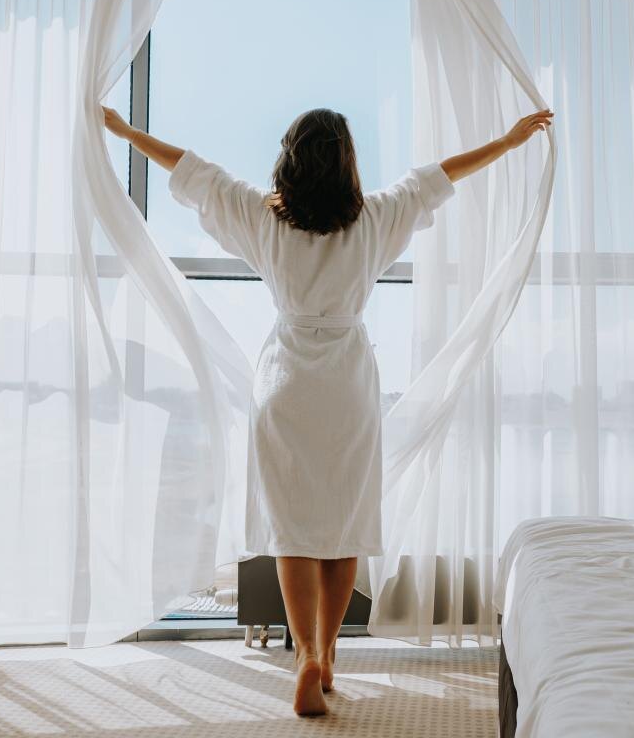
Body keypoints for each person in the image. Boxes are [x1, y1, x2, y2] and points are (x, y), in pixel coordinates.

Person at [101, 104, 553, 716]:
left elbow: (193, 171)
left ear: (289, 160)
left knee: (292, 531)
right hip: (346, 384)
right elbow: (441, 176)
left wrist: (126, 131)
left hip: (286, 381)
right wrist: (506, 140)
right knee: (344, 528)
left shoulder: (264, 218)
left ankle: (306, 652)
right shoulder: (374, 218)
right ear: (347, 163)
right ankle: (329, 651)